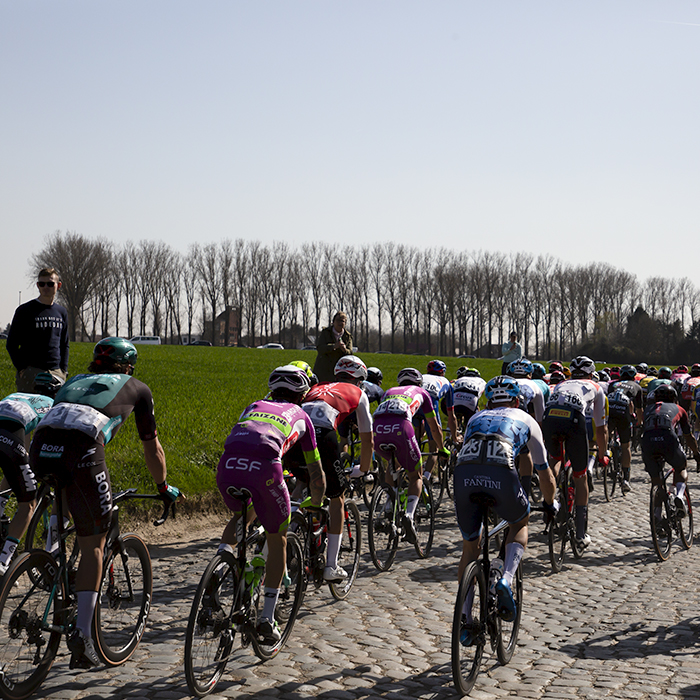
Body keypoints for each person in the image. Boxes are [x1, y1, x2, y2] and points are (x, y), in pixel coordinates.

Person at [29, 337, 181, 669]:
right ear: (129, 366)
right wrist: (163, 485)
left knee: (68, 497)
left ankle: (53, 555)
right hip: (81, 449)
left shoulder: (73, 381)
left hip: (40, 446)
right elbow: (152, 449)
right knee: (94, 543)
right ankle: (83, 638)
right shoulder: (138, 387)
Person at [216, 365, 325, 644]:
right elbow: (315, 471)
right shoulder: (301, 415)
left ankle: (219, 569)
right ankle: (267, 617)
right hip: (266, 469)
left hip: (228, 466)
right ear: (302, 394)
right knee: (279, 539)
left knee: (245, 514)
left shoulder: (254, 405)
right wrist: (317, 500)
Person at [453, 375, 547, 630]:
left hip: (464, 475)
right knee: (519, 523)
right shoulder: (526, 419)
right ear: (518, 401)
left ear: (488, 401)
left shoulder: (475, 417)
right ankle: (505, 578)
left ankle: (464, 619)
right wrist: (550, 503)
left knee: (469, 547)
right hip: (501, 474)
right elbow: (543, 470)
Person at [287, 355, 372, 581]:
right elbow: (367, 439)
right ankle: (331, 565)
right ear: (360, 379)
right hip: (322, 436)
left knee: (306, 479)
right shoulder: (359, 393)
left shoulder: (317, 387)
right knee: (337, 497)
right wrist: (364, 469)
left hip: (296, 433)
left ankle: (291, 523)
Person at [373, 368, 449, 544]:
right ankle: (409, 514)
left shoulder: (389, 392)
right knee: (416, 475)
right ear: (419, 383)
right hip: (402, 428)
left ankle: (389, 505)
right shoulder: (422, 392)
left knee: (393, 465)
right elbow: (434, 426)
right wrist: (441, 448)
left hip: (377, 430)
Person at [539, 355, 608, 549]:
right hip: (574, 419)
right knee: (581, 477)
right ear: (591, 373)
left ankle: (550, 503)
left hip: (550, 417)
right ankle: (579, 533)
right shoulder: (597, 387)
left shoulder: (561, 384)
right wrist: (602, 454)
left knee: (555, 460)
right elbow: (601, 427)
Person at [0, 391, 54, 575]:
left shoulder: (19, 395)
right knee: (28, 504)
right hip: (9, 438)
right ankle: (3, 561)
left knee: (14, 468)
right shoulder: (55, 406)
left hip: (7, 430)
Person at [6, 268, 70, 394]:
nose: (46, 287)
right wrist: (22, 369)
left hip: (56, 373)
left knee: (54, 412)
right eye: (42, 283)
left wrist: (63, 370)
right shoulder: (24, 311)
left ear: (58, 285)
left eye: (50, 284)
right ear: (38, 285)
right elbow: (11, 344)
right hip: (31, 372)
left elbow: (65, 344)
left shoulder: (61, 312)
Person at [642, 384, 700, 519]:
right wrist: (696, 454)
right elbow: (688, 436)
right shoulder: (679, 409)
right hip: (668, 438)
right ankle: (679, 496)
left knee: (656, 482)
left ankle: (657, 516)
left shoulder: (648, 409)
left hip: (648, 441)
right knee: (680, 467)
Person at [606, 365, 643, 492]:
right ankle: (626, 478)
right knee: (625, 445)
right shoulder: (637, 386)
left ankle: (606, 449)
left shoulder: (612, 384)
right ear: (634, 376)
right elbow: (638, 409)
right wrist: (639, 422)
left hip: (610, 410)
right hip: (623, 412)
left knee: (608, 431)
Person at [313, 312, 353, 383]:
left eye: (342, 321)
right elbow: (320, 348)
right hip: (323, 370)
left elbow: (350, 353)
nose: (340, 323)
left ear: (345, 323)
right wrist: (333, 346)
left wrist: (344, 350)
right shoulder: (326, 332)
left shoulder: (347, 336)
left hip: (339, 372)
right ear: (333, 322)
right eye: (338, 320)